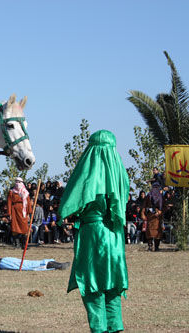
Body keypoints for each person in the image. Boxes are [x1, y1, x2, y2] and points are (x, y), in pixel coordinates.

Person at [58, 130, 129, 333]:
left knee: (93, 283)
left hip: (93, 234)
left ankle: (99, 329)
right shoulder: (119, 173)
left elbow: (72, 200)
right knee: (113, 282)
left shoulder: (87, 172)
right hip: (114, 235)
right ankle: (115, 327)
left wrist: (63, 215)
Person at [0, 253, 70, 271]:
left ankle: (56, 265)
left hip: (5, 263)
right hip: (6, 261)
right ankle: (56, 265)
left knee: (28, 265)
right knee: (28, 264)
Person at [7, 177, 32, 248]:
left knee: (24, 228)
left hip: (23, 211)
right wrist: (9, 213)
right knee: (15, 228)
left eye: (19, 182)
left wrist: (28, 213)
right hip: (14, 211)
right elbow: (9, 203)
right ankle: (16, 243)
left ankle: (24, 244)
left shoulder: (25, 192)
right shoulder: (11, 192)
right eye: (16, 182)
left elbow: (28, 203)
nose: (18, 183)